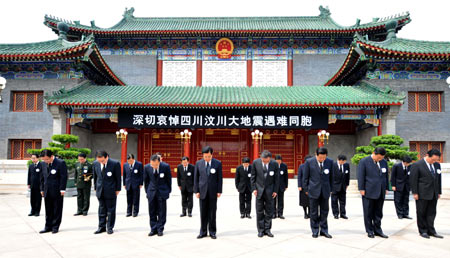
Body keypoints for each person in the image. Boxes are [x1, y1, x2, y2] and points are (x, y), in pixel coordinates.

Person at [410, 149, 443, 239]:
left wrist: (439, 191)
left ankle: (431, 230)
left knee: (432, 213)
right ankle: (423, 231)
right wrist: (415, 192)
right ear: (427, 155)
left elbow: (438, 179)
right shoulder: (417, 165)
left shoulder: (437, 165)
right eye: (433, 159)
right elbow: (413, 180)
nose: (434, 161)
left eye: (436, 160)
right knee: (421, 212)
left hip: (434, 193)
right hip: (422, 193)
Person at [357, 147, 389, 238]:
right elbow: (361, 175)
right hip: (368, 190)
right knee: (368, 212)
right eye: (378, 157)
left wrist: (386, 187)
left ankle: (378, 230)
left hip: (381, 191)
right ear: (373, 153)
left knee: (379, 212)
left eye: (382, 158)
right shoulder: (364, 161)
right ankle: (369, 230)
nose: (380, 159)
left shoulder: (384, 162)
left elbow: (385, 176)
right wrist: (361, 188)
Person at [303, 147, 333, 238]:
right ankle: (315, 230)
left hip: (325, 191)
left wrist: (331, 189)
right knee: (313, 212)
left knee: (324, 211)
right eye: (320, 157)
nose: (322, 159)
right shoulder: (309, 162)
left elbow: (332, 177)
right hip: (313, 190)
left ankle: (324, 230)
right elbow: (305, 177)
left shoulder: (330, 162)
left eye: (324, 157)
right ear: (316, 155)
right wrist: (306, 190)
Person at [194, 146, 223, 239]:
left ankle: (212, 232)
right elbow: (196, 179)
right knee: (203, 212)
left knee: (212, 213)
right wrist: (196, 191)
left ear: (212, 155)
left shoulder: (217, 163)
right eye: (205, 156)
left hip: (213, 192)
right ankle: (202, 232)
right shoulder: (198, 163)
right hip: (202, 191)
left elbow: (219, 178)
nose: (207, 158)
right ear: (203, 155)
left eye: (209, 156)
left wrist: (219, 191)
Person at [251, 150, 279, 238]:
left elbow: (277, 179)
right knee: (259, 211)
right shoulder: (256, 162)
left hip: (270, 191)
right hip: (259, 191)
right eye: (262, 159)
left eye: (265, 160)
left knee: (269, 211)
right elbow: (253, 177)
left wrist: (275, 191)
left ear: (269, 159)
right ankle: (260, 230)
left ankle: (267, 229)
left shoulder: (274, 164)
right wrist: (254, 189)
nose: (263, 161)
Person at [39, 149, 68, 234]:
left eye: (47, 159)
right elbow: (42, 177)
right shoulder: (43, 164)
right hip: (47, 190)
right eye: (43, 159)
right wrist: (41, 189)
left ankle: (55, 226)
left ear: (52, 156)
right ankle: (47, 226)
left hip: (57, 190)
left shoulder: (60, 163)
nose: (45, 161)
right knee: (48, 209)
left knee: (57, 209)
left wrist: (62, 189)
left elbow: (64, 177)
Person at [93, 150, 121, 235]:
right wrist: (95, 187)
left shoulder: (115, 164)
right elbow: (95, 177)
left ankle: (109, 227)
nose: (101, 162)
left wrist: (117, 189)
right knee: (101, 209)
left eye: (102, 160)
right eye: (99, 160)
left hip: (111, 190)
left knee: (111, 210)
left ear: (106, 157)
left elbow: (118, 178)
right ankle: (101, 227)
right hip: (100, 190)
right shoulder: (95, 163)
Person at [144, 154, 172, 236]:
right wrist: (148, 192)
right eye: (152, 165)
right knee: (152, 211)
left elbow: (168, 180)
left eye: (155, 165)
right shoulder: (147, 167)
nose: (154, 167)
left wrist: (168, 191)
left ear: (159, 162)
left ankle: (160, 228)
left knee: (161, 211)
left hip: (162, 192)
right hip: (151, 192)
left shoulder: (165, 166)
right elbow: (146, 181)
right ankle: (153, 229)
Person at [391, 155, 412, 220]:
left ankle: (405, 214)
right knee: (398, 201)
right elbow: (393, 176)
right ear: (404, 162)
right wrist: (393, 185)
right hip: (398, 186)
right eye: (408, 163)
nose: (408, 164)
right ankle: (400, 214)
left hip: (406, 186)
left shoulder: (410, 167)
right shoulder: (396, 166)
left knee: (406, 200)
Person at [331, 155, 350, 219]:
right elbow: (330, 177)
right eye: (342, 161)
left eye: (344, 161)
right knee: (334, 201)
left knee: (343, 201)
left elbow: (348, 175)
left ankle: (343, 214)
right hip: (334, 186)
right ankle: (335, 214)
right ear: (338, 160)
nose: (343, 163)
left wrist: (347, 184)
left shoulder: (346, 165)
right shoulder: (333, 165)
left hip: (343, 186)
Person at [273, 155, 288, 219]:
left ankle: (280, 213)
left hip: (281, 186)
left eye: (279, 161)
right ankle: (273, 213)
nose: (278, 162)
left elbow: (286, 176)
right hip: (274, 186)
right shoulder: (272, 165)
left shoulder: (284, 166)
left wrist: (286, 185)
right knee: (273, 200)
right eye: (277, 161)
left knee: (281, 200)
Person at [298, 155, 312, 219]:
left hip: (311, 186)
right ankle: (305, 213)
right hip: (303, 187)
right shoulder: (301, 166)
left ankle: (310, 213)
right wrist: (299, 185)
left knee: (310, 201)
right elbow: (299, 177)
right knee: (304, 201)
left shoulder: (312, 166)